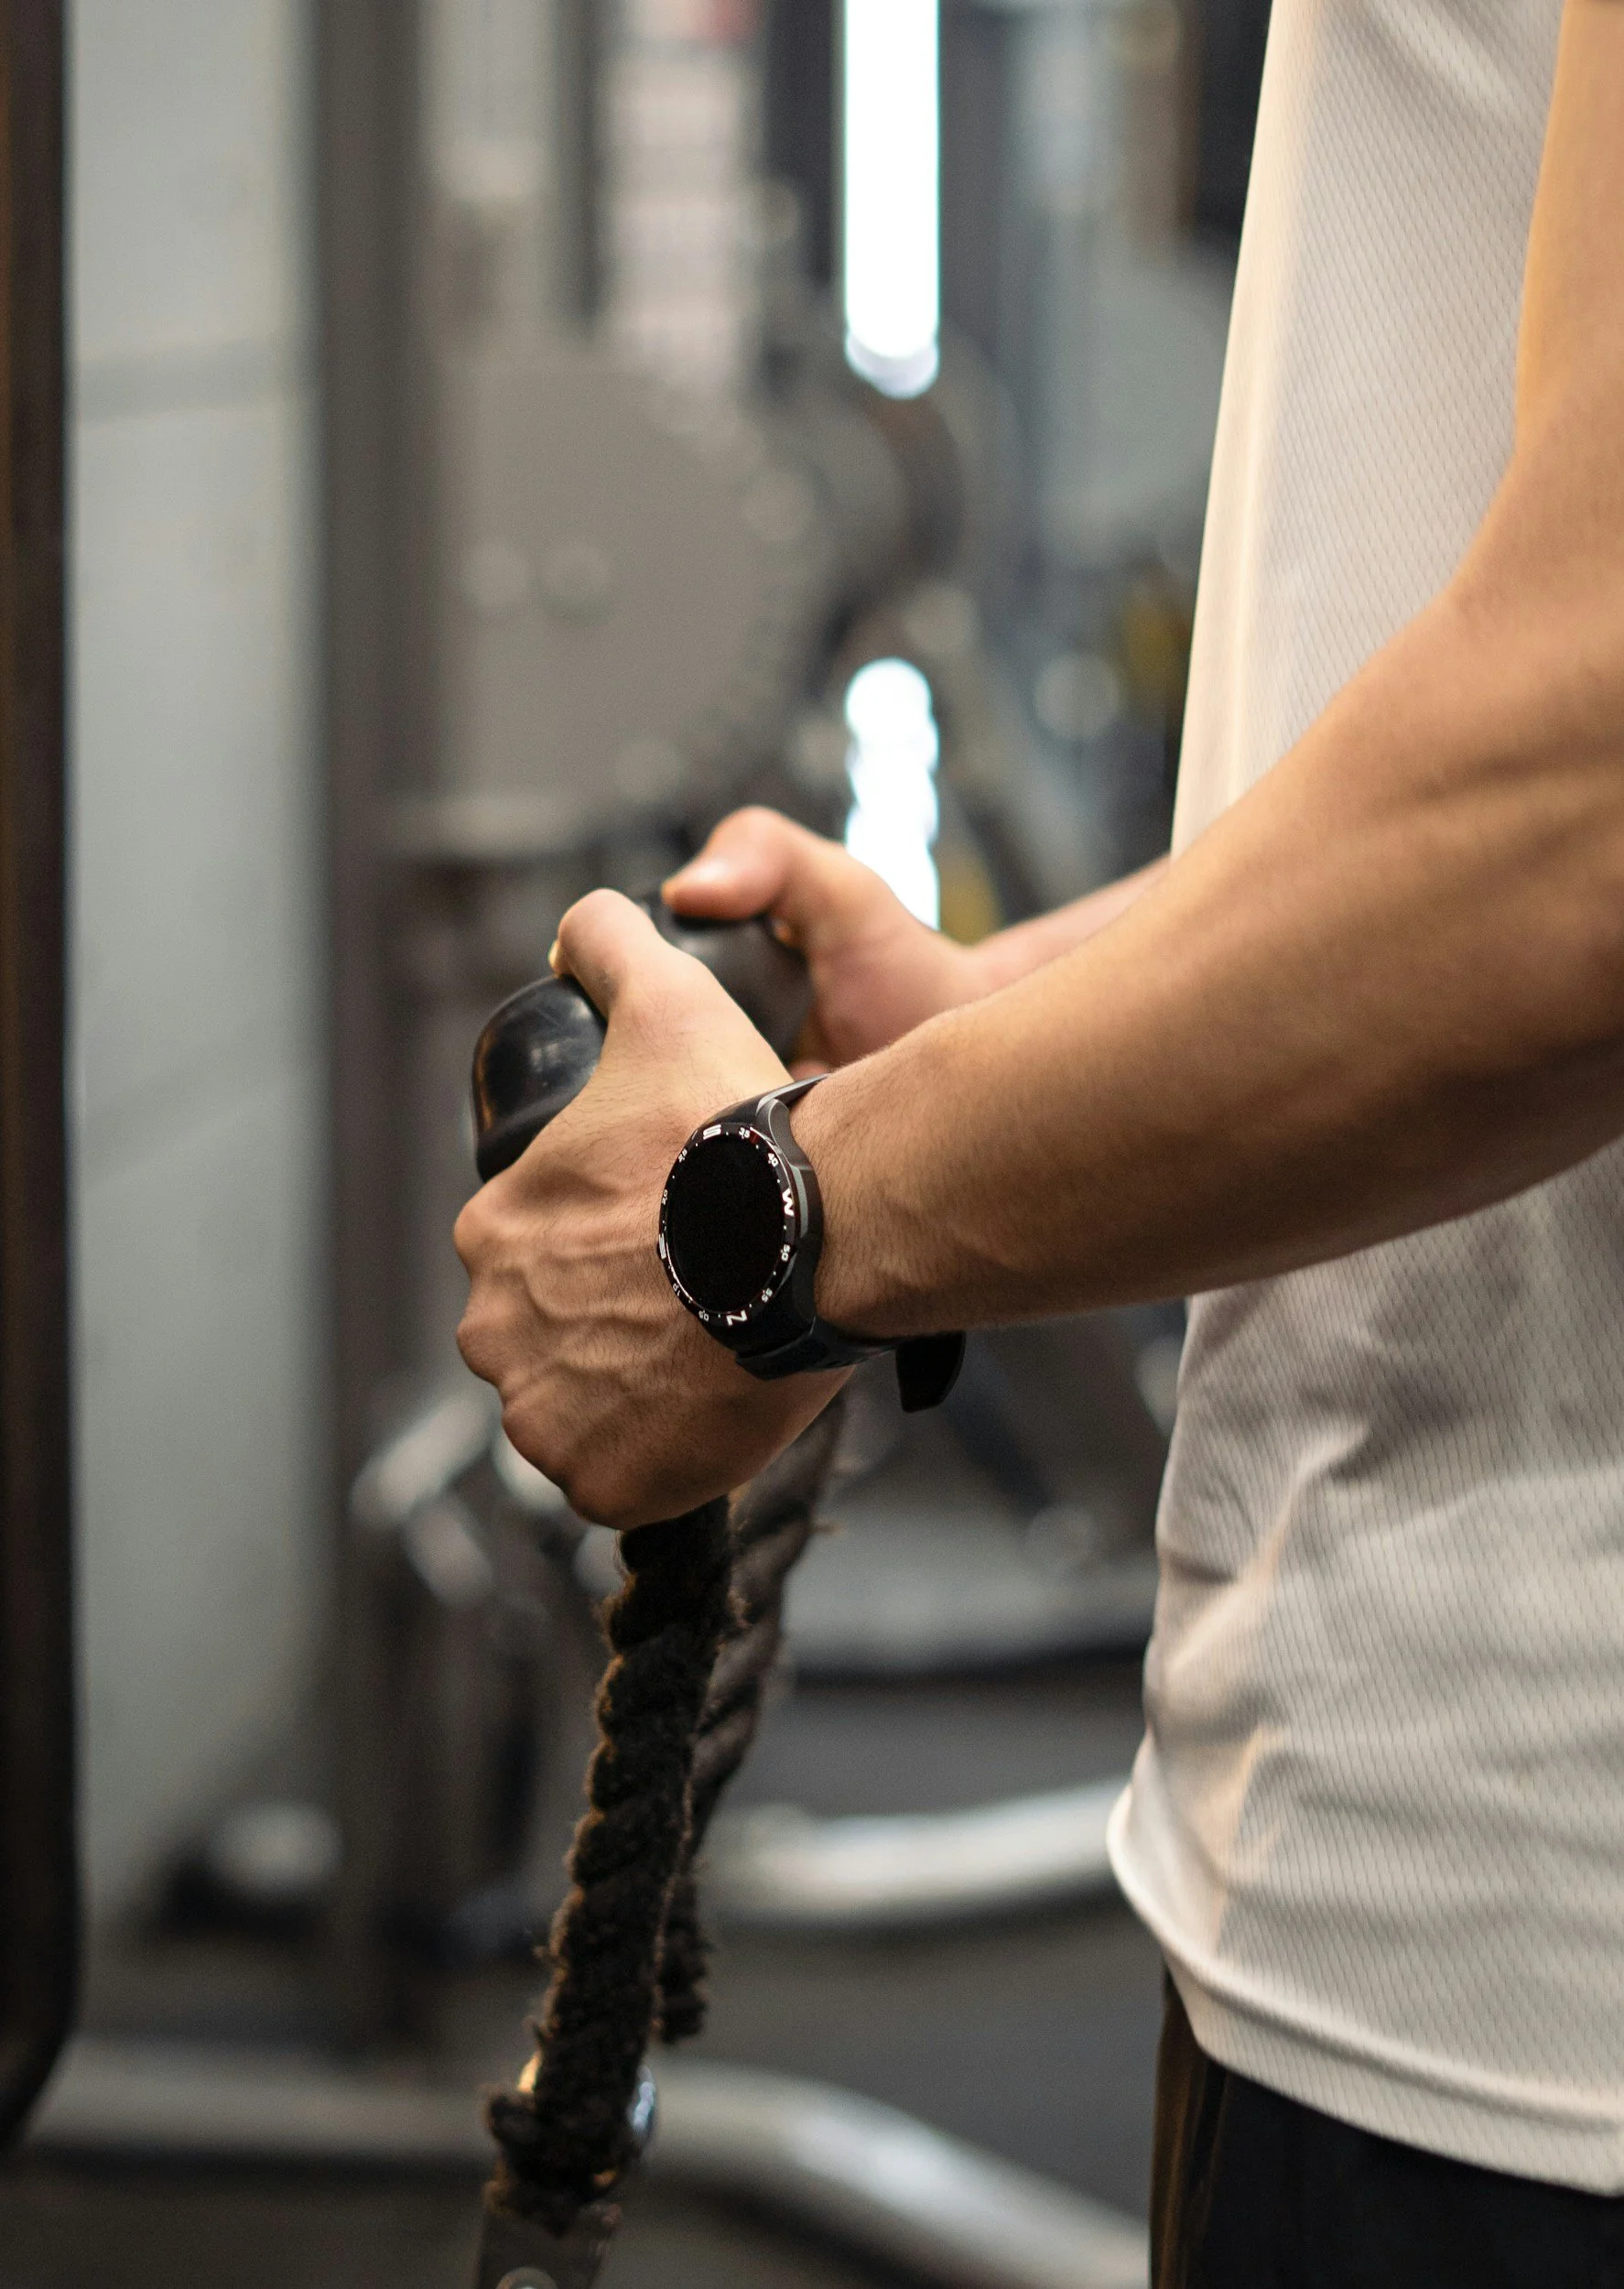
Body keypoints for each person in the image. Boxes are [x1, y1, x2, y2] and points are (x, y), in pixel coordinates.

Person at [455, 3, 1624, 2279]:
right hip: (1398, 1851)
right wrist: (1015, 1029)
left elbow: (1581, 809)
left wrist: (766, 1233)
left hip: (1542, 1984)